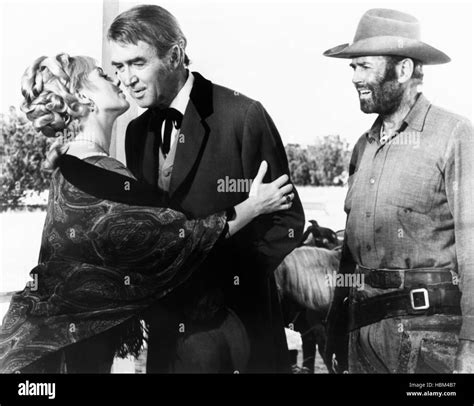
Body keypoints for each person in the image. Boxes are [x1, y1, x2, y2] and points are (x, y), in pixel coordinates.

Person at [0, 53, 295, 373]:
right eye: (102, 74)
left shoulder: (72, 164)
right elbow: (173, 237)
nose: (117, 79)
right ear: (84, 97)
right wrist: (253, 206)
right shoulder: (101, 175)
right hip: (60, 358)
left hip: (41, 348)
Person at [107, 5, 305, 373]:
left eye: (137, 63)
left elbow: (287, 224)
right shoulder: (134, 133)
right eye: (119, 67)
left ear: (176, 54)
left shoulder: (243, 116)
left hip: (242, 333)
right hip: (170, 341)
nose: (127, 79)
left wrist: (222, 284)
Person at [323, 8, 474, 373]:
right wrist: (335, 328)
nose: (355, 78)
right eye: (353, 67)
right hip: (363, 337)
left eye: (365, 67)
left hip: (433, 342)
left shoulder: (454, 135)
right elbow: (350, 254)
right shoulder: (362, 147)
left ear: (403, 70)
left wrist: (470, 347)